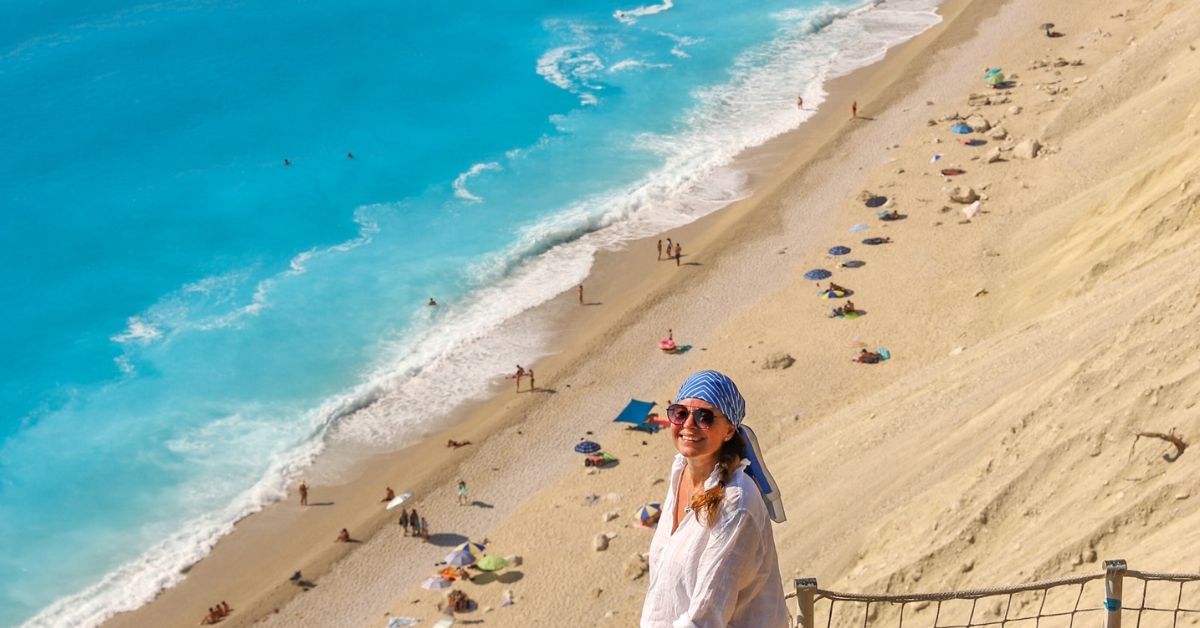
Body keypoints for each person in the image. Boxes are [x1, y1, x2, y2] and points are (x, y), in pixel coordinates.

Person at [641, 370, 789, 627]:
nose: (688, 424)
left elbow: (705, 617)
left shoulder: (736, 503)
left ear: (729, 430)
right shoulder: (681, 470)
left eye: (704, 417)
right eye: (680, 413)